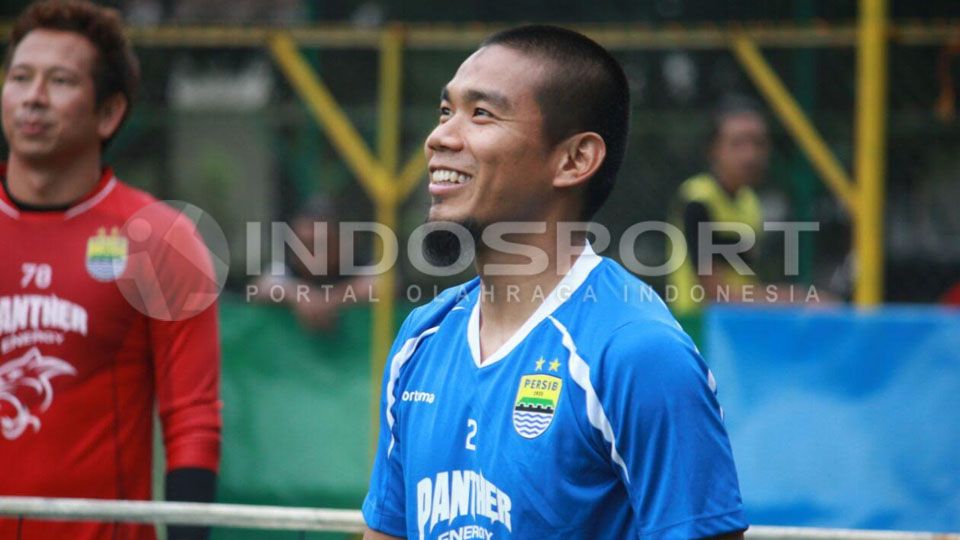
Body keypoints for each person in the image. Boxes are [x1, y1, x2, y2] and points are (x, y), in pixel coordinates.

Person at [362, 25, 746, 539]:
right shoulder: (420, 339)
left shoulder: (636, 353)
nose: (440, 137)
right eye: (445, 111)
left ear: (574, 160)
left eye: (481, 113)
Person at [0, 2, 220, 539]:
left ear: (108, 113)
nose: (33, 97)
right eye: (20, 77)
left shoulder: (161, 239)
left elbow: (193, 418)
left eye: (60, 81)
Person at [667, 96, 819, 315]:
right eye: (737, 144)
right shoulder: (697, 199)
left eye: (758, 143)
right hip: (699, 329)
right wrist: (794, 299)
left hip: (738, 325)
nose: (751, 155)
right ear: (714, 150)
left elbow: (743, 286)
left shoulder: (750, 202)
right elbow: (715, 293)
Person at [250, 195, 377, 331]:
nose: (308, 254)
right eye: (302, 245)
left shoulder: (355, 265)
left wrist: (331, 300)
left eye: (321, 245)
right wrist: (297, 295)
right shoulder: (287, 269)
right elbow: (261, 287)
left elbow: (383, 283)